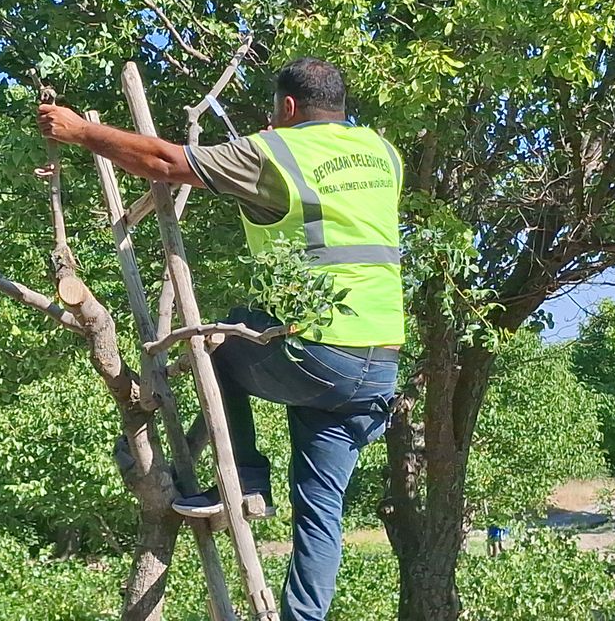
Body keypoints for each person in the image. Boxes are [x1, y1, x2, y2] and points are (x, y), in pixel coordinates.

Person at [37, 57, 403, 621]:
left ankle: (247, 478)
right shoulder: (382, 153)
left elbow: (166, 161)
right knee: (321, 512)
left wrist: (80, 130)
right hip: (378, 366)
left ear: (286, 107)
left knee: (224, 338)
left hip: (320, 353)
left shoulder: (277, 150)